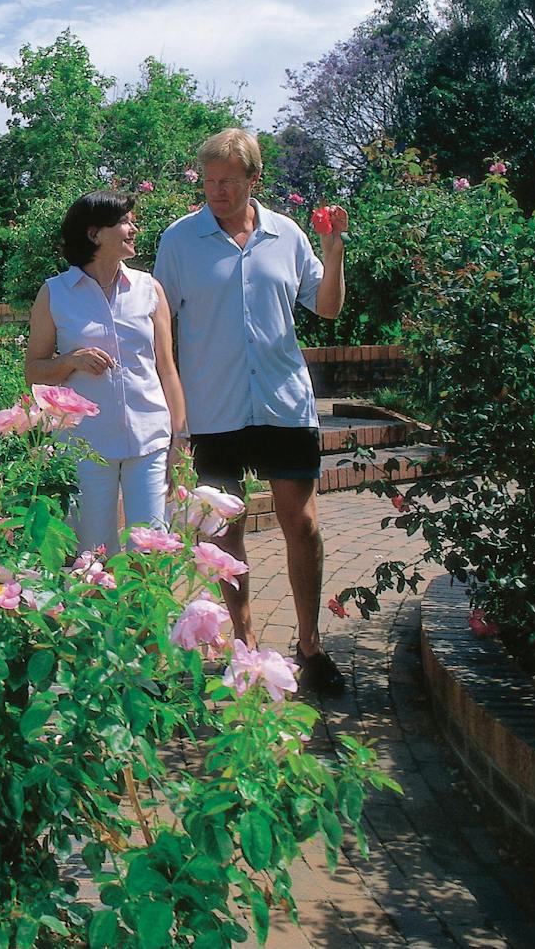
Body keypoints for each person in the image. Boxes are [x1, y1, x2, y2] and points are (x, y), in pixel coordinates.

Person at [153, 128, 348, 693]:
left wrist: (334, 252)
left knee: (301, 521)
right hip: (213, 408)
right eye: (209, 181)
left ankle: (310, 645)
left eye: (228, 182)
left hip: (285, 402)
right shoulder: (179, 242)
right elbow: (159, 323)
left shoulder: (286, 236)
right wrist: (171, 409)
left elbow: (327, 306)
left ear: (253, 180)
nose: (216, 191)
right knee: (225, 535)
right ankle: (244, 642)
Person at [27, 189, 188, 557]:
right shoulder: (55, 293)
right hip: (86, 445)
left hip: (150, 439)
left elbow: (167, 368)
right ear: (94, 234)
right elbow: (33, 373)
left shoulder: (149, 289)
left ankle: (148, 617)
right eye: (125, 222)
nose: (134, 229)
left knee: (151, 549)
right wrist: (71, 360)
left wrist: (181, 439)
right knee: (93, 556)